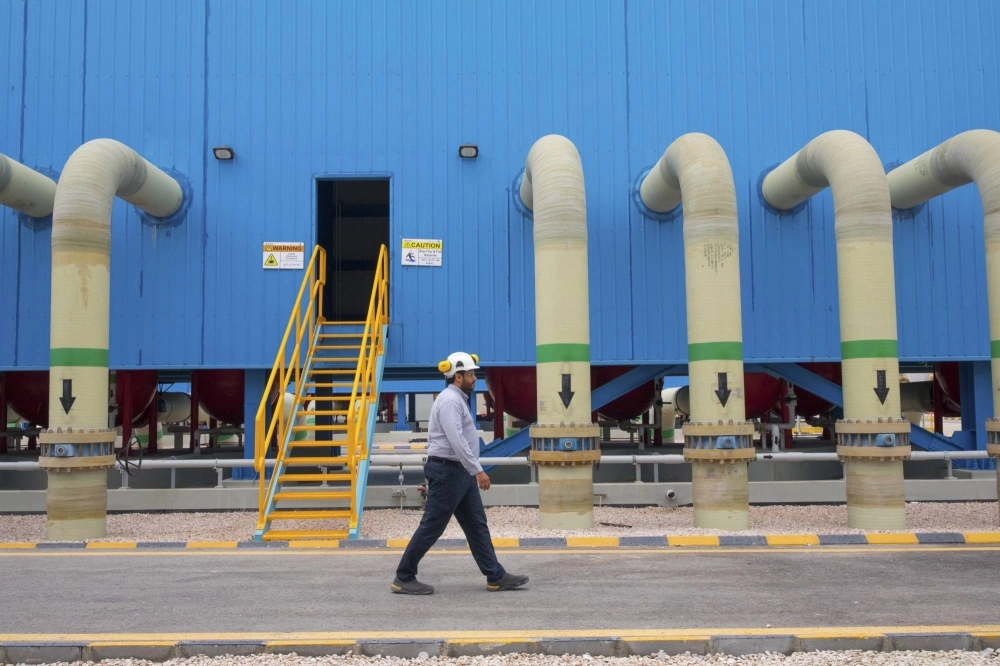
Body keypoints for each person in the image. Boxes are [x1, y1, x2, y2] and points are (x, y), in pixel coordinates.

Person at [391, 351, 529, 595]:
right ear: (458, 377)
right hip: (448, 472)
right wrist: (478, 470)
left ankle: (495, 576)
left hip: (458, 472)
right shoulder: (450, 401)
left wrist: (470, 470)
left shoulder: (456, 399)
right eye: (471, 374)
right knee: (432, 526)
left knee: (477, 525)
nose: (475, 378)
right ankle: (403, 576)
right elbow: (456, 439)